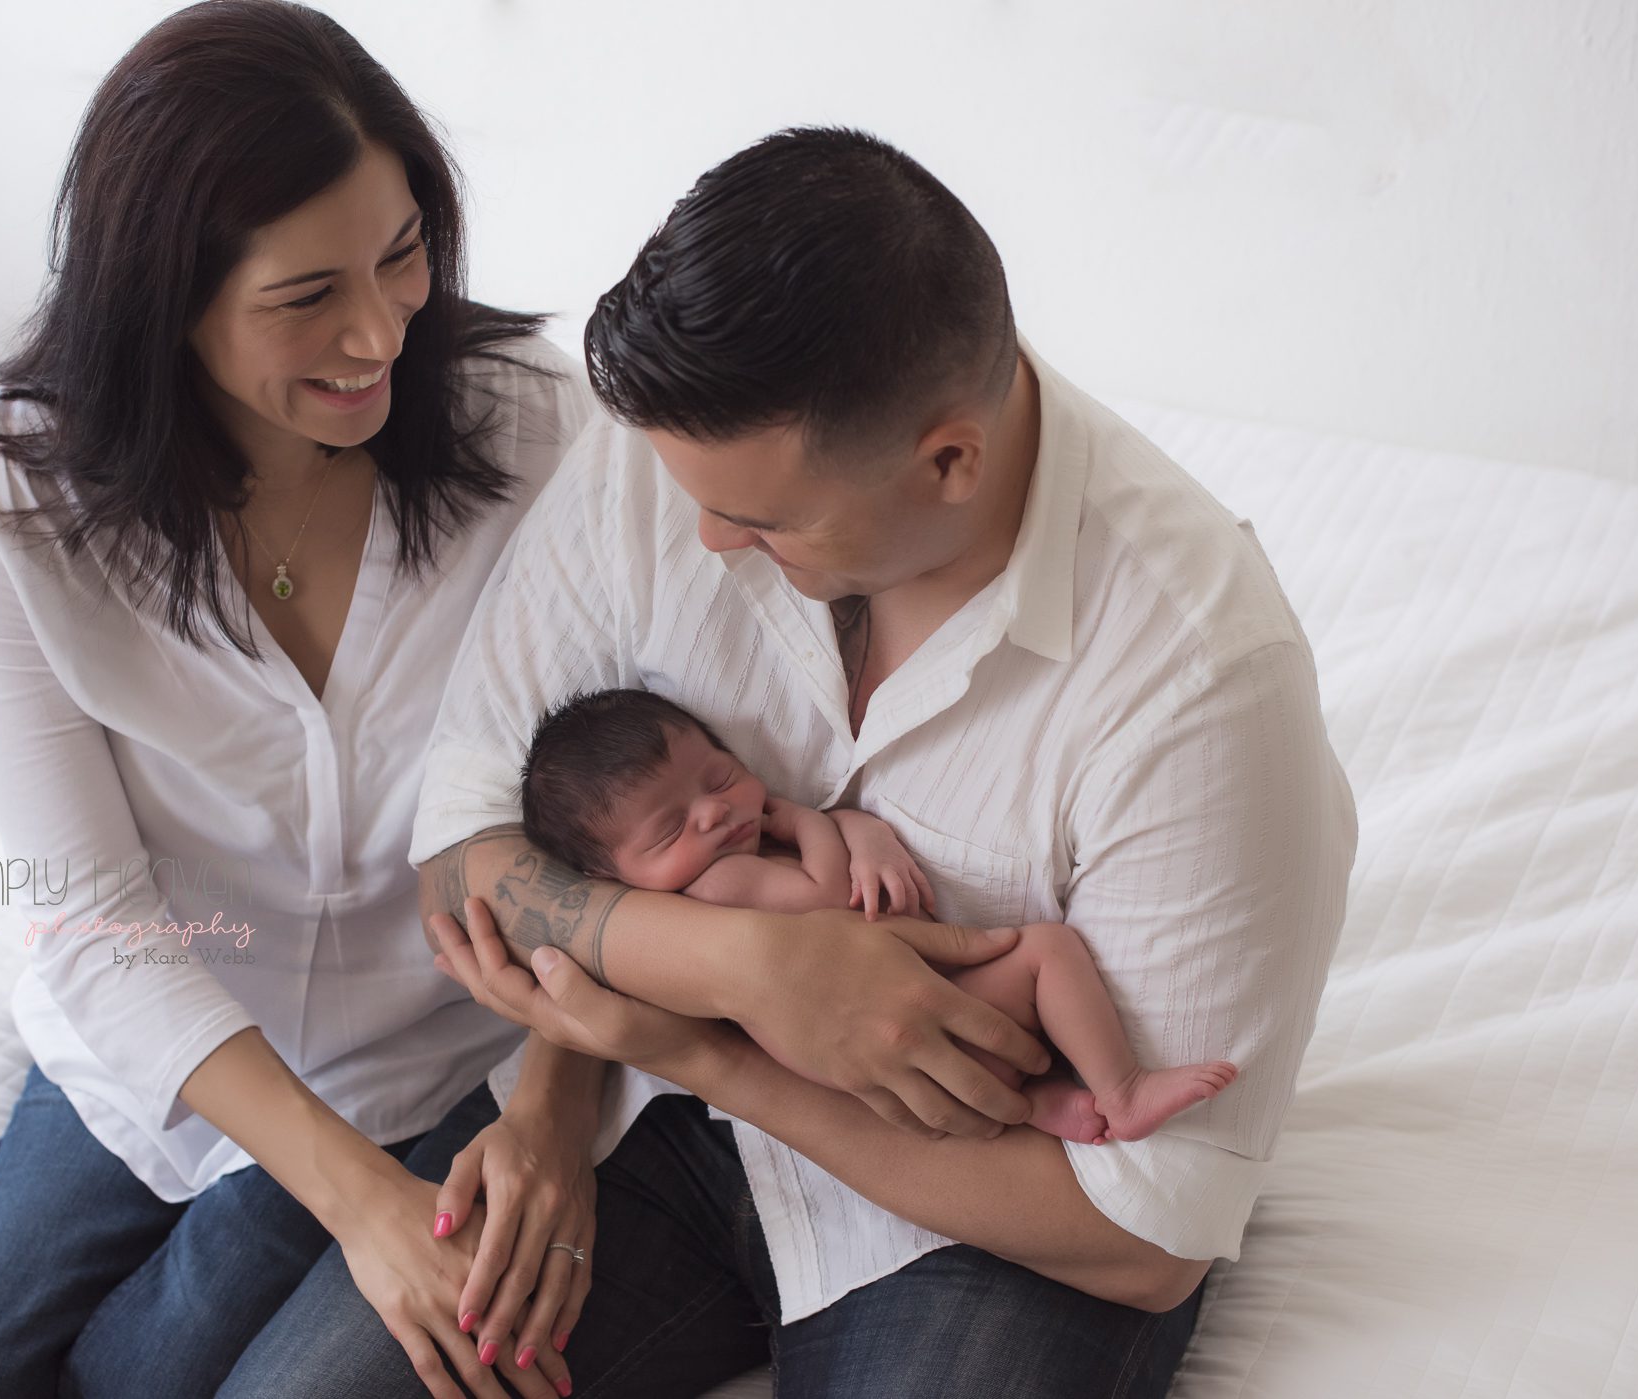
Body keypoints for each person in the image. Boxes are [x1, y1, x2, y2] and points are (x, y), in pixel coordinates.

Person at [378, 126, 1359, 1398]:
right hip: (650, 1115)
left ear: (948, 459)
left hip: (986, 1201)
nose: (706, 539)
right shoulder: (686, 443)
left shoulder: (1199, 675)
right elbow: (462, 859)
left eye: (765, 520)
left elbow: (1144, 1234)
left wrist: (715, 1049)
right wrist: (753, 966)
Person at [0, 5, 604, 1397]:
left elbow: (609, 831)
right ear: (164, 300)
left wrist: (554, 1108)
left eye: (402, 255)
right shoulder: (3, 499)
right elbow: (98, 922)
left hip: (449, 1042)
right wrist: (356, 1200)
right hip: (163, 1032)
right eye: (304, 299)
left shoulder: (538, 435)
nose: (378, 332)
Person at [519, 685, 1242, 1148]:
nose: (715, 812)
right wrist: (812, 819)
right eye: (671, 828)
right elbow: (826, 900)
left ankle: (1047, 1109)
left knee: (1003, 1043)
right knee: (1048, 949)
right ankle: (1123, 1088)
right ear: (609, 877)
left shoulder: (724, 866)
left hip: (895, 1060)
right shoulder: (718, 887)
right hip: (898, 1043)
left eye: (718, 777)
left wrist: (846, 828)